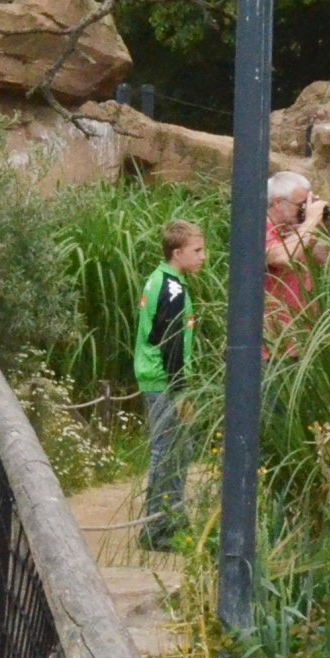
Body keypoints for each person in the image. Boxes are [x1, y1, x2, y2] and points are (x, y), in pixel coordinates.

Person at [134, 221, 207, 550]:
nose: (203, 257)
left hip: (158, 379)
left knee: (180, 449)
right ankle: (160, 528)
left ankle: (171, 518)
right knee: (169, 451)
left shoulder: (163, 279)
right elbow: (171, 345)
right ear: (177, 253)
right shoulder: (171, 289)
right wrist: (182, 394)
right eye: (197, 251)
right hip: (164, 381)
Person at [263, 171, 330, 337]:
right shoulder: (258, 229)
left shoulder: (298, 232)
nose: (304, 211)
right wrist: (310, 221)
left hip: (301, 339)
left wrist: (329, 224)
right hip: (270, 346)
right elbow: (282, 257)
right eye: (301, 205)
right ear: (278, 203)